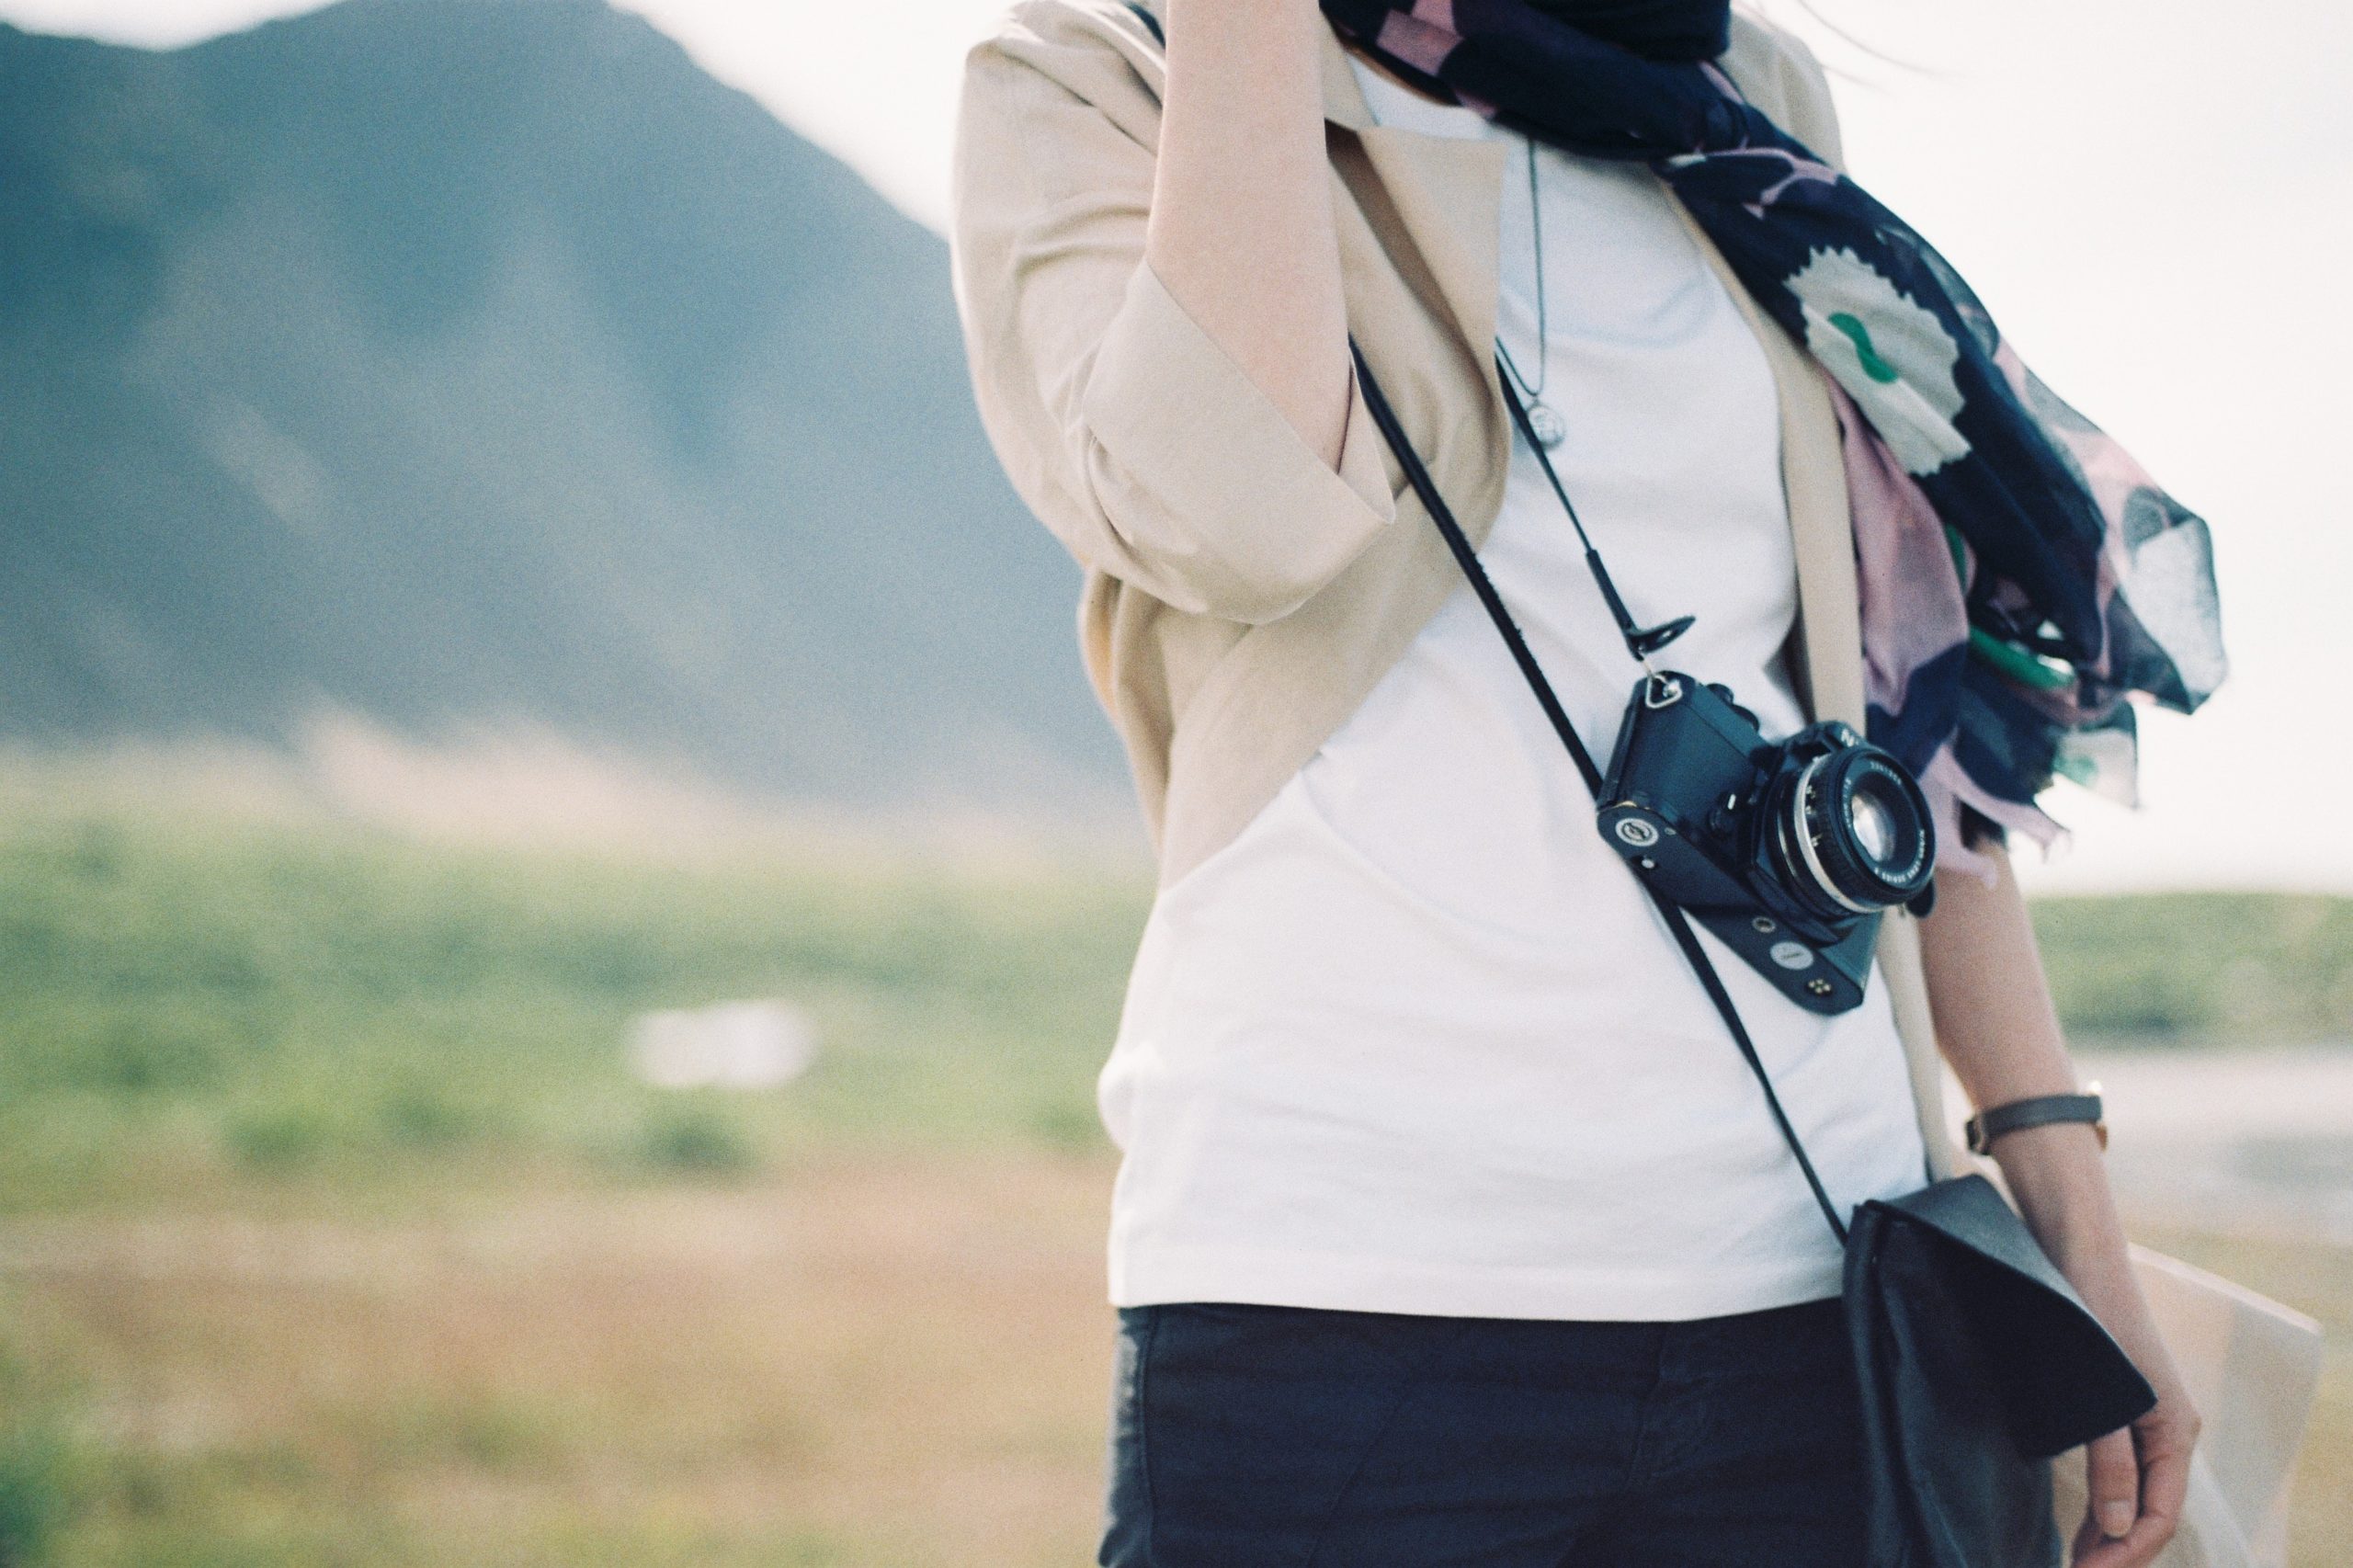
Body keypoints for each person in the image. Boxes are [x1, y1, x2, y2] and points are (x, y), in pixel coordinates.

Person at [948, 1, 2205, 1562]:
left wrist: (2069, 1200)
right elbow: (1233, 512)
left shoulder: (1743, 95)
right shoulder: (1099, 72)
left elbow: (1893, 711)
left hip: (1813, 1295)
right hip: (1335, 1308)